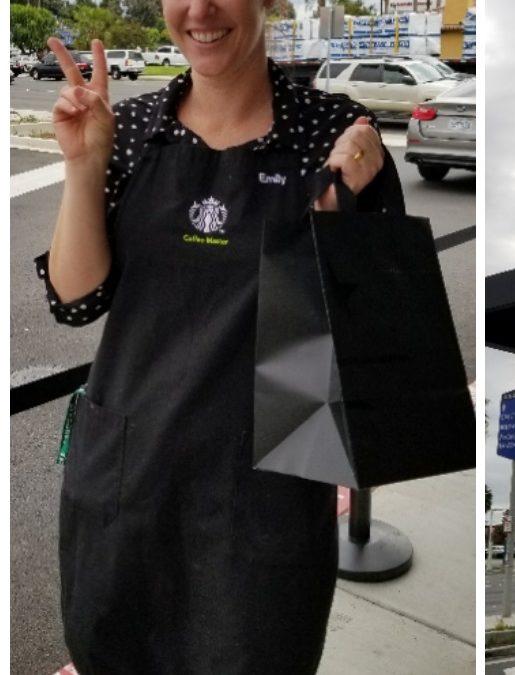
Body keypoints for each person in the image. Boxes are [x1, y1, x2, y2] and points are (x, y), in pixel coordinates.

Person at [34, 0, 402, 671]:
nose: (200, 10)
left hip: (263, 502)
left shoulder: (336, 134)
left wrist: (330, 216)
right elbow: (76, 299)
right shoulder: (130, 127)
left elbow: (378, 346)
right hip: (126, 486)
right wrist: (84, 163)